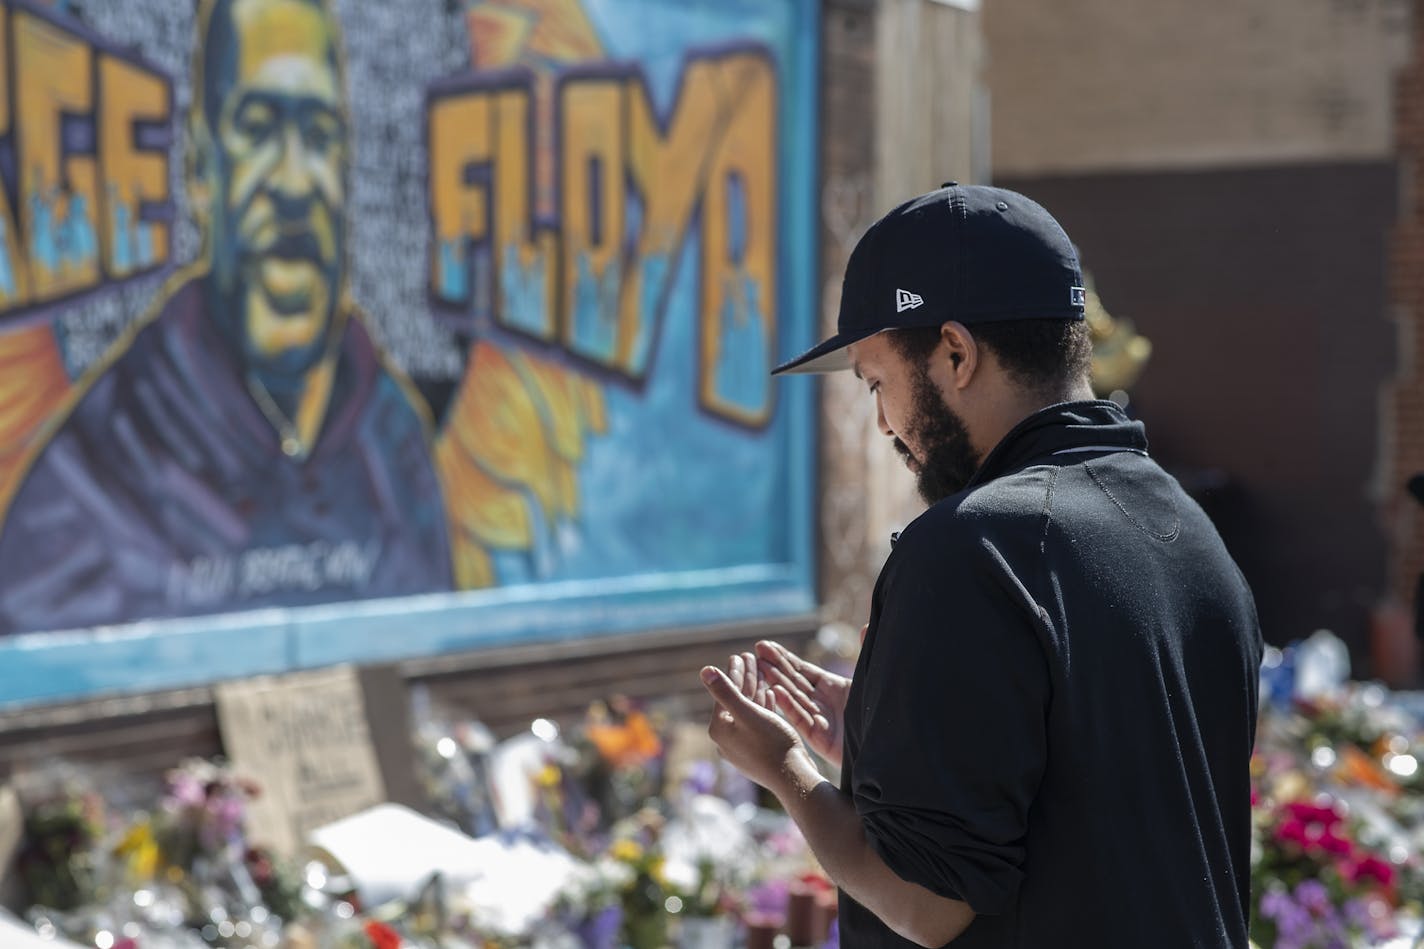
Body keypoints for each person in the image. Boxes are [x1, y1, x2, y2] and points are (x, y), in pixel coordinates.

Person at [701, 184, 1263, 947]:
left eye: (877, 382)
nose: (883, 424)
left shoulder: (973, 547)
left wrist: (786, 769)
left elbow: (927, 901)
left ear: (956, 354)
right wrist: (878, 737)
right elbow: (1089, 791)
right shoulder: (1188, 531)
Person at [0, 0, 451, 635]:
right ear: (200, 171)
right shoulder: (88, 486)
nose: (296, 184)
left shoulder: (394, 441)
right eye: (259, 128)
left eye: (319, 135)